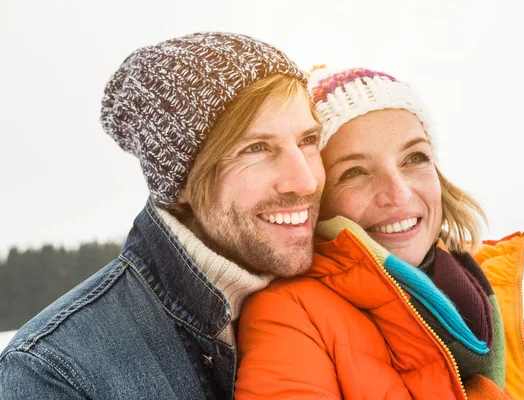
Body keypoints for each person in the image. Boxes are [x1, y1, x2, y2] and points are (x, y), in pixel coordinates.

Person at [0, 32, 325, 399]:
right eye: (256, 148)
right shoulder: (55, 372)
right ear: (182, 181)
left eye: (308, 141)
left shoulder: (355, 285)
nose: (305, 180)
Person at [235, 67, 524, 399]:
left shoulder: (489, 293)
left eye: (414, 158)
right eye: (355, 172)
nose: (399, 193)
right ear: (316, 198)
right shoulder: (290, 314)